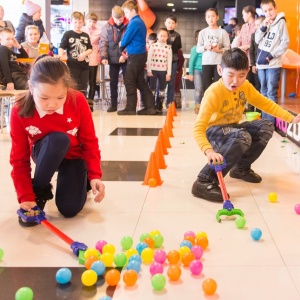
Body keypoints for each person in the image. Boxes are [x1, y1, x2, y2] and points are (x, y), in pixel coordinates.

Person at [191, 48, 300, 202]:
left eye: (241, 75)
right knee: (242, 137)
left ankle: (240, 168)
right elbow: (198, 128)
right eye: (231, 75)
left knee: (265, 127)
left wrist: (291, 118)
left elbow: (266, 104)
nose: (236, 81)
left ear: (247, 72)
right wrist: (209, 151)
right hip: (214, 131)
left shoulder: (245, 86)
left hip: (232, 128)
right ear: (220, 70)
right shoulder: (213, 92)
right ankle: (204, 180)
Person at [10, 56, 105, 227]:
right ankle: (39, 191)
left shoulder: (78, 100)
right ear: (31, 88)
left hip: (74, 156)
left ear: (67, 89)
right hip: (46, 152)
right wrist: (26, 197)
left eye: (60, 98)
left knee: (69, 209)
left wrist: (94, 175)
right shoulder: (19, 110)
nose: (52, 104)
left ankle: (81, 181)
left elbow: (89, 141)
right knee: (58, 139)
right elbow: (19, 159)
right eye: (44, 98)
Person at [118, 0, 156, 115]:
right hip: (140, 54)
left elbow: (125, 39)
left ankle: (130, 108)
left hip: (135, 55)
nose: (125, 15)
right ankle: (150, 107)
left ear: (133, 11)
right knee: (140, 82)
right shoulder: (140, 21)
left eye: (126, 12)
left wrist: (121, 45)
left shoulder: (134, 22)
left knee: (129, 80)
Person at [255, 0, 289, 124]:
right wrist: (263, 26)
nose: (268, 13)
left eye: (270, 9)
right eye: (265, 11)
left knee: (271, 92)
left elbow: (285, 42)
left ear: (275, 8)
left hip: (273, 63)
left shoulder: (281, 22)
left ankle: (270, 123)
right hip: (261, 63)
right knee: (263, 92)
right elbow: (257, 40)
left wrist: (271, 55)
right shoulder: (265, 22)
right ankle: (265, 121)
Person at [58, 11, 93, 111]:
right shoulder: (68, 34)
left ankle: (82, 107)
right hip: (72, 65)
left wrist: (84, 54)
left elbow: (90, 48)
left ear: (83, 23)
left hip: (85, 66)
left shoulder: (85, 35)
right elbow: (62, 47)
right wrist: (61, 54)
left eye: (80, 22)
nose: (78, 25)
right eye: (75, 22)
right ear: (71, 22)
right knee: (72, 86)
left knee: (83, 86)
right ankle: (71, 107)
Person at [100, 6, 129, 112]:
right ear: (112, 16)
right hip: (112, 59)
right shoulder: (106, 27)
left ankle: (130, 105)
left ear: (124, 16)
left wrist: (124, 55)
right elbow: (103, 42)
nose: (118, 21)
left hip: (125, 58)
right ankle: (113, 105)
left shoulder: (128, 25)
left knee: (128, 81)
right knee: (113, 82)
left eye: (120, 19)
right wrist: (104, 57)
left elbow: (130, 42)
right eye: (116, 19)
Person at [196, 8, 230, 93]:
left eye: (213, 16)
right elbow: (198, 49)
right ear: (205, 18)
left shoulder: (223, 32)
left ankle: (218, 106)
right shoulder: (202, 32)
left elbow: (228, 48)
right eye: (208, 17)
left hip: (219, 62)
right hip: (206, 62)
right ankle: (208, 105)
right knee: (206, 86)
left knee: (218, 86)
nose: (210, 19)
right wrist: (205, 47)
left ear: (217, 17)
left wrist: (219, 50)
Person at [147, 28, 172, 113]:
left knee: (162, 89)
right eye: (161, 36)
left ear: (167, 37)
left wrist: (168, 73)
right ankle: (151, 105)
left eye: (165, 36)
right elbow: (149, 58)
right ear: (157, 36)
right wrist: (149, 70)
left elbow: (169, 62)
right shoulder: (153, 46)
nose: (163, 38)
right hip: (153, 69)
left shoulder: (168, 48)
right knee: (152, 88)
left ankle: (159, 105)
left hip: (163, 70)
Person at [82, 12, 101, 106]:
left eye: (94, 22)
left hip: (93, 56)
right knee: (83, 80)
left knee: (92, 81)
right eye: (89, 21)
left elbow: (102, 44)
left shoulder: (99, 31)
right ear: (86, 21)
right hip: (82, 57)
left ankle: (90, 102)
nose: (91, 24)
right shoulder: (82, 30)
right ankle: (83, 101)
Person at [164, 14, 182, 108]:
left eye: (172, 23)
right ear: (165, 23)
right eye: (169, 22)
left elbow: (177, 47)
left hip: (173, 61)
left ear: (175, 24)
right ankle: (158, 101)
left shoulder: (177, 35)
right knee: (161, 82)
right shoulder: (162, 33)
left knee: (171, 82)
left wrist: (169, 47)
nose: (170, 24)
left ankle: (169, 102)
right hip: (162, 61)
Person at [187, 29, 203, 114]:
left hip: (206, 70)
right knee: (198, 89)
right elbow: (191, 61)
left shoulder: (206, 48)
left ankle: (204, 106)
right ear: (196, 38)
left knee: (204, 89)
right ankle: (197, 106)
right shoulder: (195, 48)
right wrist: (191, 73)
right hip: (197, 71)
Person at [249, 16, 265, 93]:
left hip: (267, 63)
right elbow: (251, 51)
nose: (257, 27)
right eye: (256, 25)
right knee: (257, 85)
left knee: (267, 85)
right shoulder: (253, 35)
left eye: (259, 25)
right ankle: (257, 104)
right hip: (257, 64)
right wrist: (253, 64)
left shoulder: (267, 35)